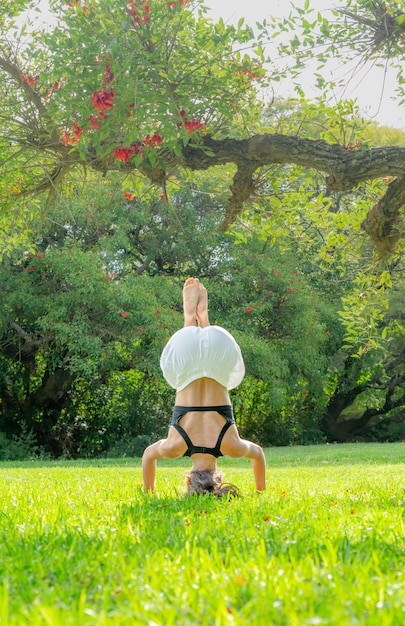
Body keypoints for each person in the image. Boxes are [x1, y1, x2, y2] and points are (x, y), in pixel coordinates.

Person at [142, 278, 266, 496]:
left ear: (218, 478)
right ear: (189, 477)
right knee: (182, 375)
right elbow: (148, 456)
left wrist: (261, 491)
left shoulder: (231, 445)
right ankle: (190, 320)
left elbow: (258, 454)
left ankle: (203, 320)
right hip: (184, 350)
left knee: (216, 373)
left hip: (220, 348)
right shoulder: (175, 446)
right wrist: (148, 493)